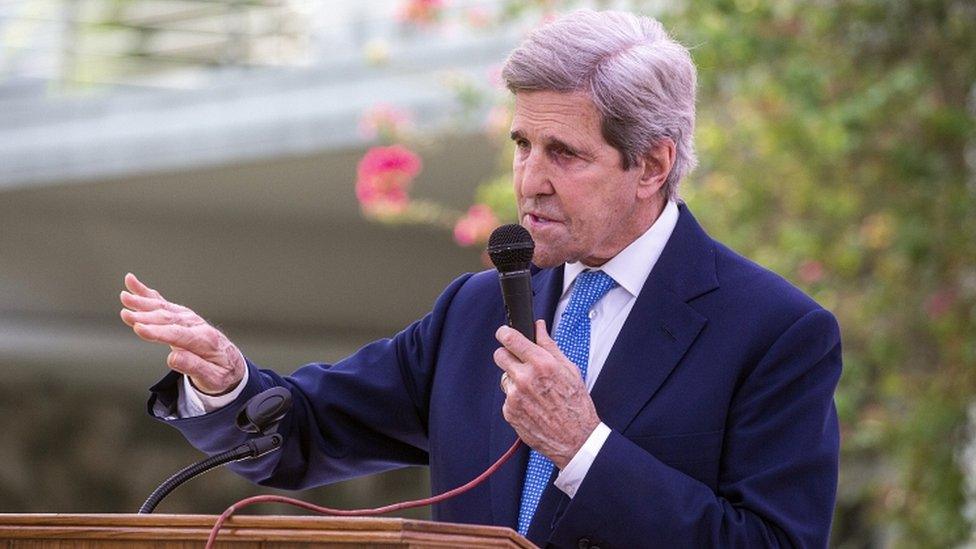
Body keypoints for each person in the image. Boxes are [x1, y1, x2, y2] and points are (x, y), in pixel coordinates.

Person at [121, 9, 841, 548]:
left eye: (565, 153)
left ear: (651, 165)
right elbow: (309, 430)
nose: (529, 180)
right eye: (523, 143)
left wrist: (584, 448)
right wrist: (227, 381)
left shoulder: (775, 332)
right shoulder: (475, 308)